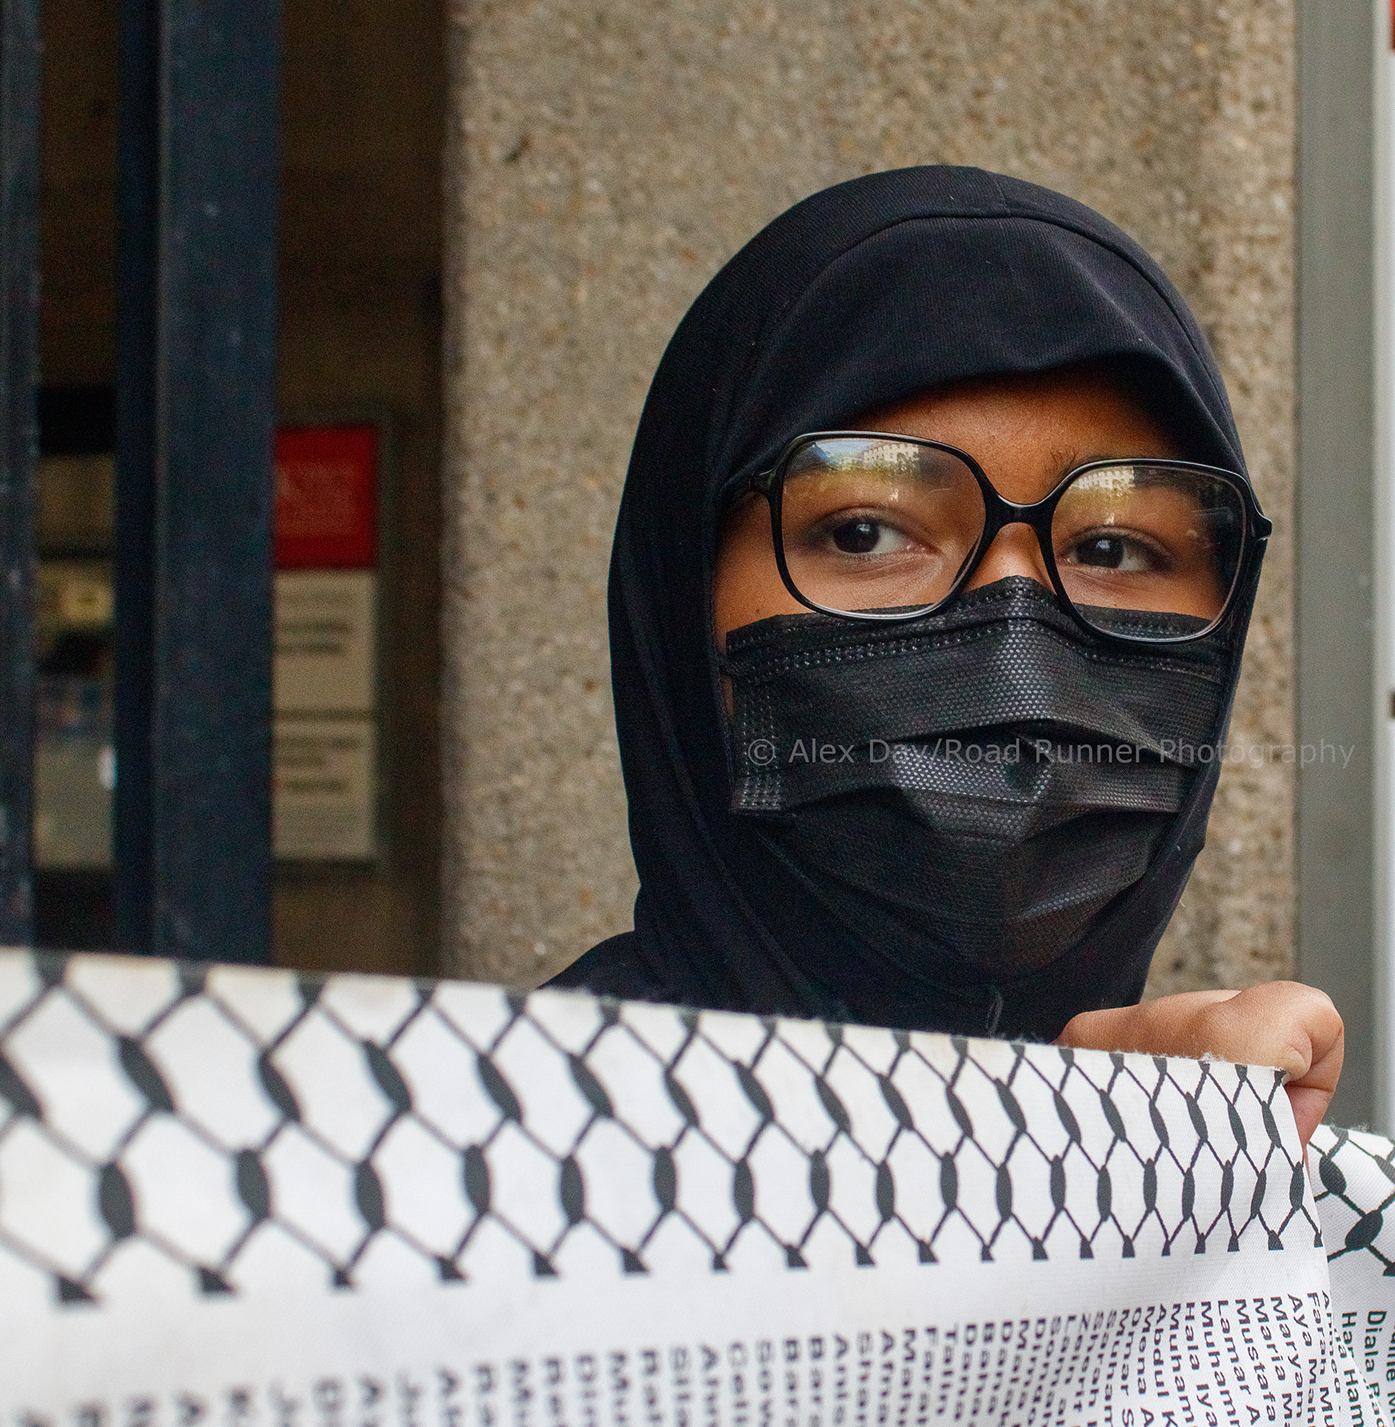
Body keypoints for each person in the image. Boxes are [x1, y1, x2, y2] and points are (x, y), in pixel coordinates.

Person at [548, 166, 1341, 1144]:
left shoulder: (1263, 1191)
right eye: (866, 532)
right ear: (679, 594)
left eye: (1112, 548)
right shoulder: (454, 1183)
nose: (1015, 651)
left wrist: (1190, 1229)